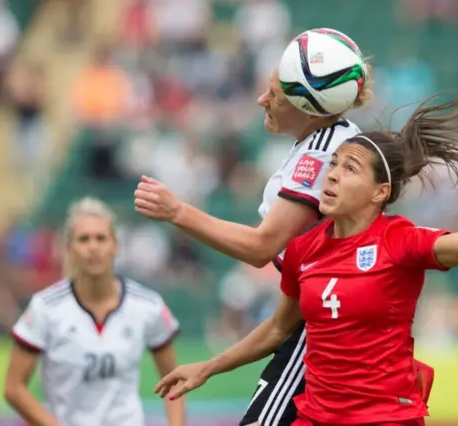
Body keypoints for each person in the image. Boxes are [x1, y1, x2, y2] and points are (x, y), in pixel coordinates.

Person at [151, 90, 458, 425]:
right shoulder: (302, 249)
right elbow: (278, 328)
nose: (332, 175)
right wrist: (208, 367)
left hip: (383, 417)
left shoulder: (399, 240)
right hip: (316, 416)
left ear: (379, 192)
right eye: (333, 164)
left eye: (350, 169)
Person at [134, 30, 379, 426]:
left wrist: (178, 212)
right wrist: (210, 367)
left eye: (275, 96)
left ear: (309, 108)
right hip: (311, 320)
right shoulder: (323, 140)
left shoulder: (321, 154)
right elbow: (284, 315)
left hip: (319, 333)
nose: (262, 100)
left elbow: (262, 246)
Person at [4, 197, 185, 426]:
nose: (93, 247)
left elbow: (175, 380)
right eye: (83, 239)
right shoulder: (45, 308)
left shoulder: (147, 305)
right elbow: (13, 388)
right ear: (69, 248)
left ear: (116, 244)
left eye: (101, 238)